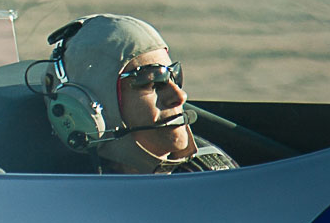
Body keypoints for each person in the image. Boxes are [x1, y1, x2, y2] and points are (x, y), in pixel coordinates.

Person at [41, 15, 235, 174]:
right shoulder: (64, 202)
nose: (180, 96)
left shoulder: (211, 172)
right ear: (85, 110)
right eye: (152, 81)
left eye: (174, 76)